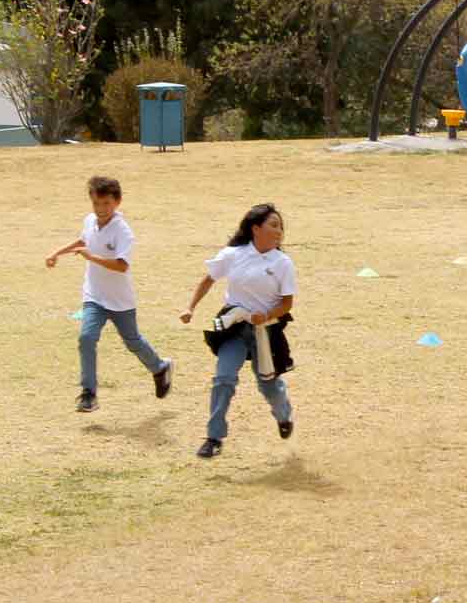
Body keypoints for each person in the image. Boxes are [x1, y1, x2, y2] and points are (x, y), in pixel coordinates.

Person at [45, 176, 174, 413]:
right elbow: (83, 240)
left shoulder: (123, 231)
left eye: (106, 204)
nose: (100, 209)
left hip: (120, 300)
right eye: (96, 204)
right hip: (94, 296)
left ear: (117, 202)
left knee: (133, 341)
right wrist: (57, 252)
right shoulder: (90, 221)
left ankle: (159, 367)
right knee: (86, 338)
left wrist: (91, 257)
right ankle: (88, 393)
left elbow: (122, 265)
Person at [180, 203, 296, 458]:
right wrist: (190, 308)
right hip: (234, 329)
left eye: (281, 227)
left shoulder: (283, 263)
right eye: (273, 225)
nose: (279, 231)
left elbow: (287, 303)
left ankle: (284, 415)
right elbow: (208, 279)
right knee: (223, 379)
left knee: (268, 386)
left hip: (266, 332)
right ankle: (214, 437)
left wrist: (265, 315)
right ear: (256, 228)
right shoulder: (233, 254)